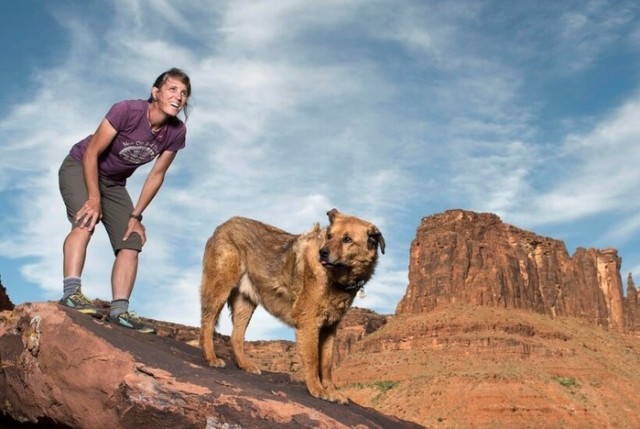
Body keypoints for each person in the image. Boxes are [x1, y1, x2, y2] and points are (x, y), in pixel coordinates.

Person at [58, 68, 192, 334]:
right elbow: (92, 153)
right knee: (86, 219)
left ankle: (119, 311)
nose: (179, 96)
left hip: (114, 183)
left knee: (131, 240)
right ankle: (71, 293)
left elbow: (157, 175)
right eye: (173, 89)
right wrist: (94, 199)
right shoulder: (126, 111)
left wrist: (136, 216)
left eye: (184, 93)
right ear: (156, 92)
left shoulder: (176, 132)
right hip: (80, 166)